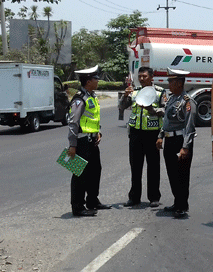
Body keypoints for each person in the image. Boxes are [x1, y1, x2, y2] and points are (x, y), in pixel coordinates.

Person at [67, 65, 112, 217]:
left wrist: (97, 131)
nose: (98, 81)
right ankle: (78, 207)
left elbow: (92, 118)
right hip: (81, 142)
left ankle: (92, 200)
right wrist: (72, 145)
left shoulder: (91, 97)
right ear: (88, 81)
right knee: (79, 174)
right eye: (95, 79)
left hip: (92, 141)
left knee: (95, 171)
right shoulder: (79, 100)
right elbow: (73, 123)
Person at [120, 67, 165, 207]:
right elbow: (121, 107)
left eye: (144, 76)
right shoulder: (134, 92)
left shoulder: (159, 92)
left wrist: (153, 110)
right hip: (135, 133)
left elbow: (166, 111)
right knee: (135, 166)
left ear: (152, 77)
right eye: (140, 76)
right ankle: (134, 197)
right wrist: (125, 96)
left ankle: (154, 197)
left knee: (153, 167)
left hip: (152, 133)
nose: (141, 79)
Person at [156, 68, 197, 217]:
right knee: (172, 173)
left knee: (182, 175)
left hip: (181, 141)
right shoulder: (172, 99)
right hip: (169, 140)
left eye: (171, 82)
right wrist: (161, 135)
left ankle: (182, 206)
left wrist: (185, 147)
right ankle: (177, 202)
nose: (169, 85)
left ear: (179, 83)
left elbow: (189, 127)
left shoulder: (187, 102)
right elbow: (166, 120)